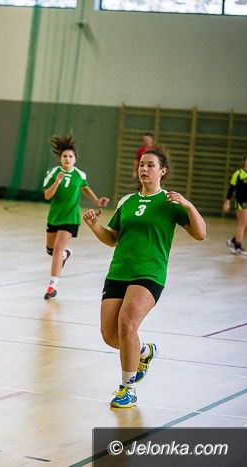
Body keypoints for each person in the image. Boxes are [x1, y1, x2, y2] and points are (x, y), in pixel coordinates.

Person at [82, 146, 206, 408]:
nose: (144, 169)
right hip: (119, 272)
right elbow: (113, 239)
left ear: (163, 171)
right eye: (141, 164)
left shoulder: (171, 203)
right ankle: (144, 351)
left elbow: (200, 234)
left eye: (150, 165)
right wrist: (94, 226)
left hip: (149, 274)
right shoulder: (127, 201)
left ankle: (127, 388)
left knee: (127, 323)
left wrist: (188, 205)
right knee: (110, 335)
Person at [42, 133, 109, 300]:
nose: (67, 158)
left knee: (57, 249)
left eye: (70, 156)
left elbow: (85, 187)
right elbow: (47, 196)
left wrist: (97, 201)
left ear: (75, 159)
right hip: (55, 217)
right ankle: (65, 255)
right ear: (60, 158)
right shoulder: (53, 172)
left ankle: (52, 287)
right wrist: (57, 182)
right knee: (51, 250)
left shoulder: (80, 175)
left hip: (71, 218)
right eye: (64, 156)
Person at [223, 153, 247, 255]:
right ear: (244, 161)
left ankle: (232, 240)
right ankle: (237, 247)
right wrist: (227, 202)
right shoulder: (238, 174)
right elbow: (231, 189)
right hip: (241, 201)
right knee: (242, 224)